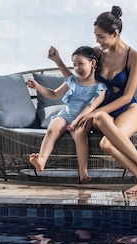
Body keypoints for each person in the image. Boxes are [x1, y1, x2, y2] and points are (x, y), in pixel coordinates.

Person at [50, 6, 137, 194]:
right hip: (103, 114)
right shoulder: (96, 54)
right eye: (95, 36)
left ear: (115, 33)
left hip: (128, 110)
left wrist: (93, 112)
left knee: (106, 140)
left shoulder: (134, 57)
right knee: (103, 131)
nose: (97, 41)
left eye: (101, 37)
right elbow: (77, 79)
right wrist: (58, 61)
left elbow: (127, 97)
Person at [26, 46, 107, 183]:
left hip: (82, 118)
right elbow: (54, 94)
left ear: (92, 63)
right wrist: (38, 87)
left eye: (80, 63)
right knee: (52, 128)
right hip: (65, 115)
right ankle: (42, 160)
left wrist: (76, 121)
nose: (77, 68)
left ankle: (83, 172)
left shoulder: (100, 87)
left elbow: (90, 107)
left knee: (80, 135)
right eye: (74, 65)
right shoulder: (72, 81)